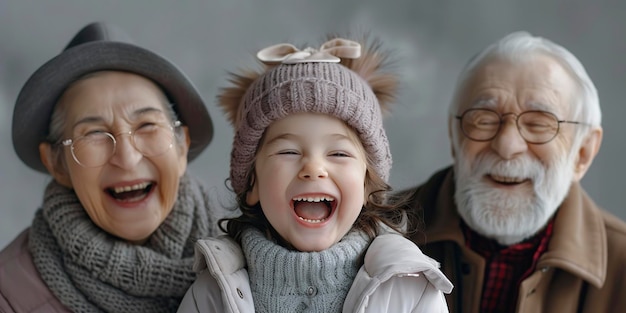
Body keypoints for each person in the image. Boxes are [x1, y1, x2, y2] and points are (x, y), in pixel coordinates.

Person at [177, 37, 453, 312]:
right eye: (288, 151)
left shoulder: (409, 290)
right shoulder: (212, 292)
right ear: (252, 183)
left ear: (368, 185)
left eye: (339, 154)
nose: (313, 168)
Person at [397, 31, 626, 313]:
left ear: (583, 153)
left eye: (539, 124)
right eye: (483, 120)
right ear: (454, 136)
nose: (506, 146)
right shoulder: (378, 234)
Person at [0, 22, 221, 312]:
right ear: (57, 163)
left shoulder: (252, 253)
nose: (127, 158)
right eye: (93, 134)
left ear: (182, 147)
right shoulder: (9, 293)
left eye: (147, 125)